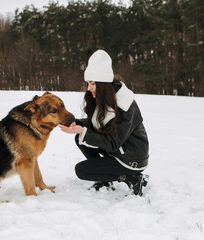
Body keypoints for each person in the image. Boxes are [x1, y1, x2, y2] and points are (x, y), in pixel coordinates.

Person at [59, 49, 149, 196]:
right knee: (80, 139)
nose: (89, 88)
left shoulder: (125, 105)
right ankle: (105, 177)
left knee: (82, 170)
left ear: (103, 84)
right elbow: (94, 126)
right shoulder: (103, 98)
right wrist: (74, 123)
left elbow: (113, 142)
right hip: (117, 151)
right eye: (88, 83)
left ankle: (131, 177)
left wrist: (83, 131)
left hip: (132, 158)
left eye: (92, 83)